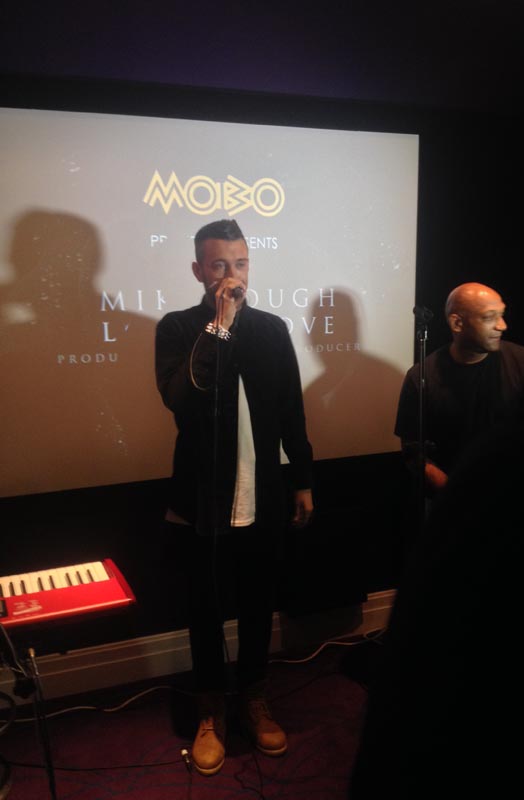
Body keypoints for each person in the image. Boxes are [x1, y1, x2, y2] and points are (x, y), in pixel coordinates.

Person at [350, 370, 524, 797]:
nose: (501, 331)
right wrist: (453, 488)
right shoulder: (427, 378)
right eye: (489, 320)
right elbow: (412, 449)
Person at [155, 218, 314, 776]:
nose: (232, 275)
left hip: (262, 491)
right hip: (202, 496)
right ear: (198, 270)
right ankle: (209, 709)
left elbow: (292, 409)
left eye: (240, 263)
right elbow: (183, 398)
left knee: (256, 604)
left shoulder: (271, 329)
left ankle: (253, 696)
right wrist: (219, 326)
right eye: (219, 264)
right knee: (204, 608)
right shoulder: (177, 328)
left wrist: (302, 479)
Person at [395, 282, 524, 497]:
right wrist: (456, 494)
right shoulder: (421, 377)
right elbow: (413, 450)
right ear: (457, 323)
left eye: (501, 315)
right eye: (489, 317)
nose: (502, 325)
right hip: (449, 499)